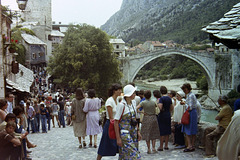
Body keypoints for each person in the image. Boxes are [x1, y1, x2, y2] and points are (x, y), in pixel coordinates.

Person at [114, 84, 141, 160]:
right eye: (133, 93)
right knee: (135, 155)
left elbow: (134, 118)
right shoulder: (121, 105)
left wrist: (138, 131)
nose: (135, 94)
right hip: (125, 133)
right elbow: (116, 122)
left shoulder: (133, 103)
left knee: (124, 154)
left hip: (133, 132)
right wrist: (118, 138)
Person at [97, 83, 122, 160]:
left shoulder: (117, 100)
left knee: (120, 145)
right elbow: (111, 117)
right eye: (119, 90)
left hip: (117, 123)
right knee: (104, 144)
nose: (120, 91)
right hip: (110, 124)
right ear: (115, 91)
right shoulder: (109, 101)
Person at [181, 83, 198, 152]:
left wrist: (184, 103)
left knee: (187, 129)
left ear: (188, 89)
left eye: (185, 90)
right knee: (193, 129)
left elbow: (189, 107)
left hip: (190, 113)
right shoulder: (192, 95)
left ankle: (189, 145)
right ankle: (192, 145)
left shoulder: (190, 96)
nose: (184, 91)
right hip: (194, 113)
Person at [157, 86, 173, 151]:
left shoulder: (161, 98)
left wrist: (158, 104)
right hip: (168, 114)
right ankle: (166, 145)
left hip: (162, 115)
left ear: (161, 91)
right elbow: (172, 108)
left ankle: (161, 146)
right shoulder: (169, 98)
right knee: (167, 130)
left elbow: (160, 107)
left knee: (162, 130)